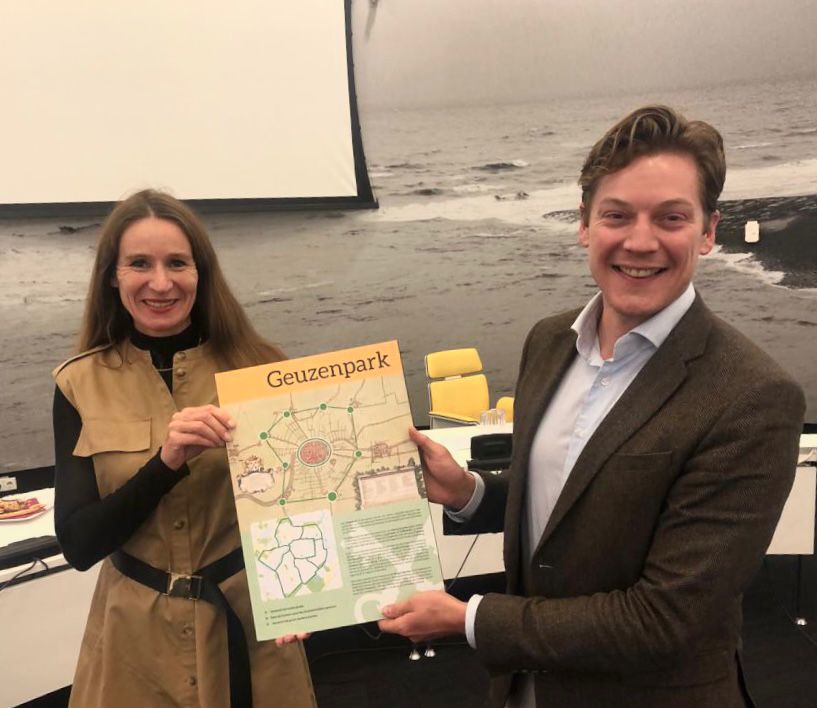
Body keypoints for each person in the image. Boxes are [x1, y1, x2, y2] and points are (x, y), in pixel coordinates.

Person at [378, 106, 805, 707]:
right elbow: (578, 500)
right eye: (617, 215)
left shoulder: (753, 397)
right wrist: (469, 492)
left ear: (709, 232)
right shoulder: (548, 342)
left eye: (671, 217)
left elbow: (667, 617)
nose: (640, 241)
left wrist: (468, 619)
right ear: (584, 224)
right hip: (526, 691)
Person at [53, 190, 316, 708]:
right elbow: (79, 544)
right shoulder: (76, 384)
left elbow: (309, 499)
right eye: (139, 264)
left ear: (201, 273)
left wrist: (314, 596)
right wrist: (166, 464)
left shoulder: (262, 368)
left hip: (251, 624)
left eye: (177, 263)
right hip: (133, 642)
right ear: (112, 276)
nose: (160, 283)